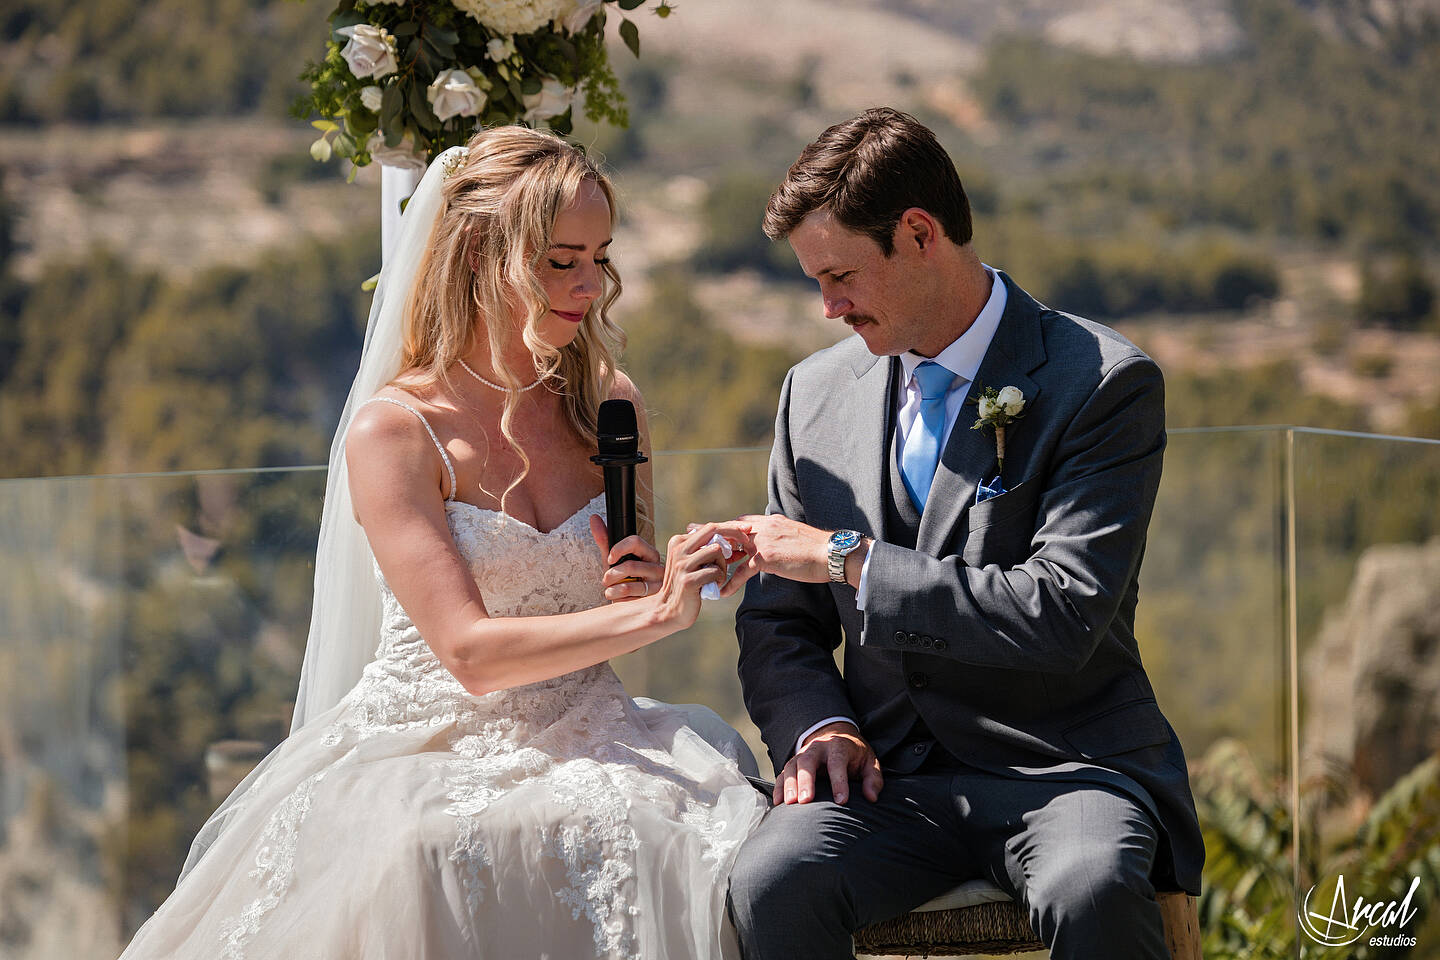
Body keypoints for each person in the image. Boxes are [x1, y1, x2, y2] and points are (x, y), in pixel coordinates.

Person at [119, 126, 767, 960]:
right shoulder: (393, 432)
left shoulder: (611, 407)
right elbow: (469, 653)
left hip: (595, 722)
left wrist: (649, 581)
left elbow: (619, 606)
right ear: (476, 253)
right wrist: (660, 618)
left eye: (599, 257)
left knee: (697, 833)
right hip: (431, 742)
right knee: (429, 856)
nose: (588, 286)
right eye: (559, 259)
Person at [726, 107, 1205, 960]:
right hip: (886, 787)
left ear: (918, 233)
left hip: (1065, 769)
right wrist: (818, 729)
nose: (828, 307)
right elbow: (779, 625)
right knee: (768, 881)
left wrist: (849, 559)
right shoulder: (813, 395)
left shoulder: (1100, 381)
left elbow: (1061, 613)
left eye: (839, 276)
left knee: (1091, 888)